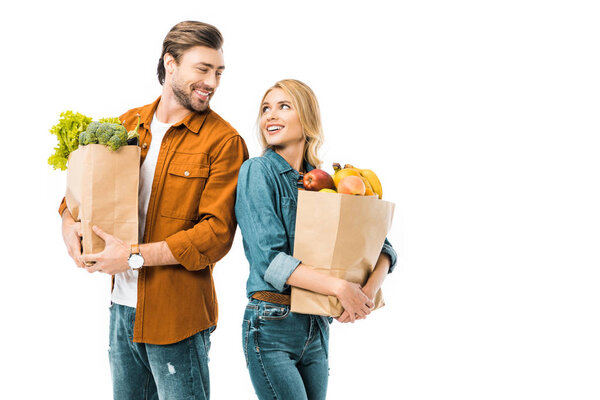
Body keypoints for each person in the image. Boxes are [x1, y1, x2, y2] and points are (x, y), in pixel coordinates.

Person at [59, 21, 248, 399]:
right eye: (203, 69)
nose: (212, 81)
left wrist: (131, 257)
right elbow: (83, 190)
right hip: (121, 311)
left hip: (177, 318)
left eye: (218, 72)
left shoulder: (224, 141)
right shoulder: (130, 123)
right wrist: (69, 224)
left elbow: (215, 235)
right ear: (171, 63)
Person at [235, 79, 397, 400]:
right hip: (272, 322)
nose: (270, 115)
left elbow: (383, 246)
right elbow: (270, 260)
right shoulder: (258, 171)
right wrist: (340, 289)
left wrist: (365, 293)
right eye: (265, 109)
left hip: (318, 326)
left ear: (306, 118)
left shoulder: (326, 182)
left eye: (284, 106)